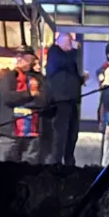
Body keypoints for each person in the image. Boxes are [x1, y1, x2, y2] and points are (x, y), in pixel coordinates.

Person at [0, 47, 49, 164]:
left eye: (24, 56)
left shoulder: (39, 78)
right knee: (8, 165)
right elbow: (7, 98)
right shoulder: (8, 77)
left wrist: (23, 100)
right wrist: (29, 94)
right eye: (19, 56)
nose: (20, 59)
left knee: (30, 164)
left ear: (31, 59)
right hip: (11, 129)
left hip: (33, 129)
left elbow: (44, 100)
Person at [45, 32, 84, 166]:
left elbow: (72, 71)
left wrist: (81, 79)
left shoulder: (69, 57)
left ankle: (69, 160)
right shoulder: (55, 52)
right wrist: (74, 50)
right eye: (68, 41)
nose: (70, 44)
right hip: (61, 99)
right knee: (60, 132)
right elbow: (64, 62)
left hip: (72, 99)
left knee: (72, 133)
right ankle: (56, 161)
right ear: (59, 41)